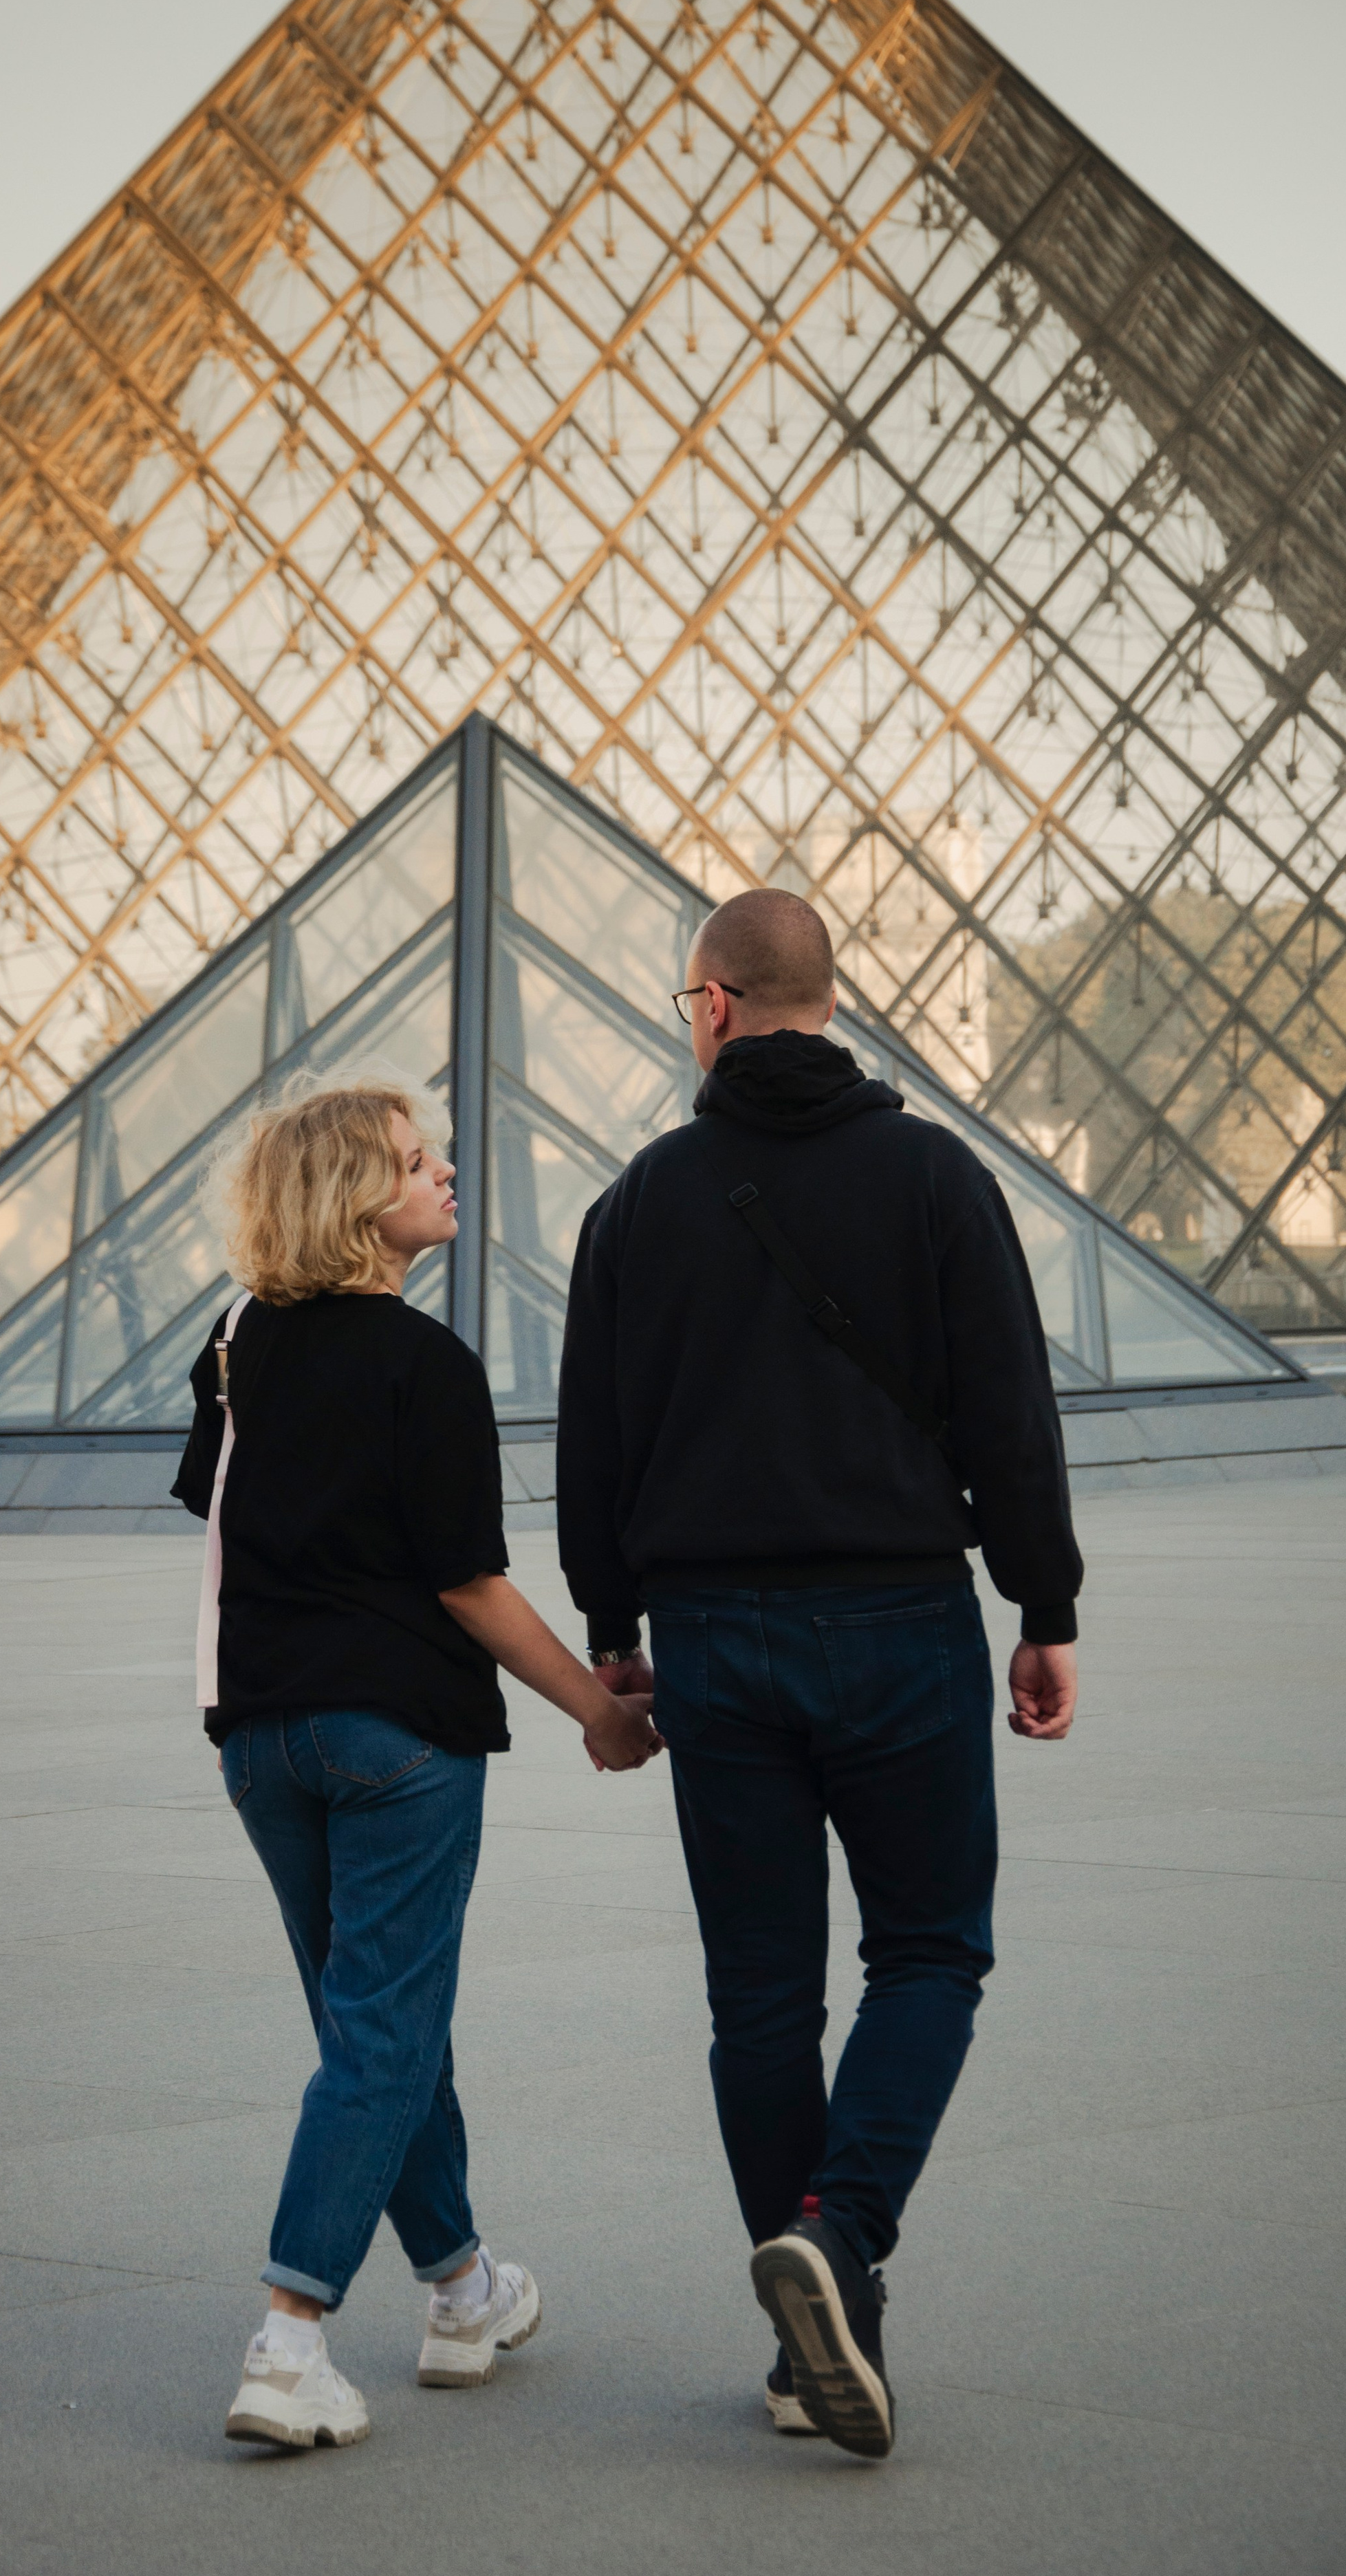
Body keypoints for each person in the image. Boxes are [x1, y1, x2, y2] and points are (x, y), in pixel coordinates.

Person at [556, 890, 1083, 2459]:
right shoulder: (935, 1175)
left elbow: (594, 1445)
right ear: (821, 997)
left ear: (713, 1005)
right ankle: (840, 2245)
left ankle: (807, 2352)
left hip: (715, 1638)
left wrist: (611, 1630)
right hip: (899, 1619)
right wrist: (1039, 1603)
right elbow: (1007, 1409)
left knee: (758, 1999)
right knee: (927, 1955)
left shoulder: (636, 1203)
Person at [175, 1074, 659, 2453]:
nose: (443, 1171)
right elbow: (466, 1582)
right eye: (412, 1159)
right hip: (397, 1734)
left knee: (371, 2026)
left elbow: (220, 1537)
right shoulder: (425, 1365)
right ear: (354, 1202)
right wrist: (595, 1706)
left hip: (264, 1735)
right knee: (382, 2026)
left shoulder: (234, 1348)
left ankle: (462, 2290)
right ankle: (287, 2335)